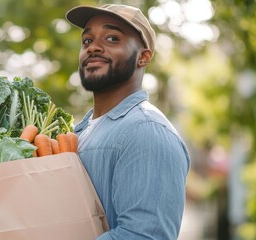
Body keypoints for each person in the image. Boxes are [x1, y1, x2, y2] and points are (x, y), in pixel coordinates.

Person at [65, 4, 190, 239]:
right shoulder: (79, 132)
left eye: (112, 38)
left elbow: (142, 235)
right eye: (87, 41)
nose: (93, 48)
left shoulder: (146, 132)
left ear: (143, 57)